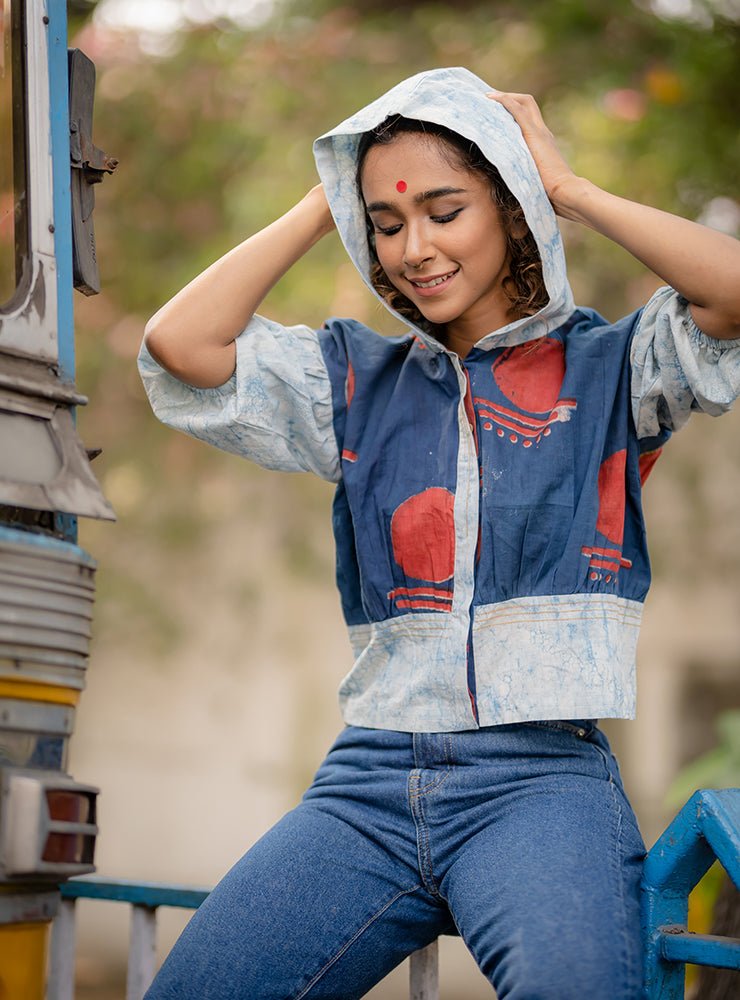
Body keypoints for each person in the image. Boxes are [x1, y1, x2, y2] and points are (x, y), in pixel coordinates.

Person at [138, 67, 740, 999]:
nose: (414, 247)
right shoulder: (349, 378)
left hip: (540, 779)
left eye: (445, 211)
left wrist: (571, 190)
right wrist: (325, 195)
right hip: (368, 782)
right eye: (386, 223)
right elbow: (185, 348)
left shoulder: (613, 365)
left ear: (510, 210)